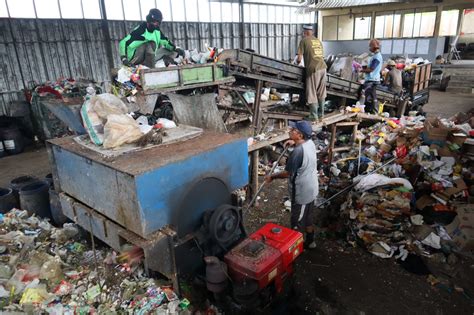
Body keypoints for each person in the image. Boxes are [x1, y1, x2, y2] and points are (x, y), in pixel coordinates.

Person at [265, 120, 318, 249]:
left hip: (302, 192)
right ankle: (311, 242)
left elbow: (287, 173)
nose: (290, 131)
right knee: (308, 218)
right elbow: (302, 146)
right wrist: (294, 142)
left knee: (297, 223)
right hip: (312, 187)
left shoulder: (297, 153)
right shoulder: (310, 143)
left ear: (300, 135)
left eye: (293, 130)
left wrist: (272, 176)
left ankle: (296, 250)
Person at [119, 9, 184, 68]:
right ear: (149, 20)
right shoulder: (140, 30)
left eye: (158, 22)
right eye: (154, 22)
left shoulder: (157, 31)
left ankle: (168, 63)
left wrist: (175, 48)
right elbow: (123, 42)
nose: (156, 24)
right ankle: (150, 69)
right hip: (135, 59)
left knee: (171, 51)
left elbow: (165, 42)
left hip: (150, 57)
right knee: (150, 44)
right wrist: (124, 58)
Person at [296, 25, 327, 122]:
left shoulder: (304, 41)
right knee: (321, 92)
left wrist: (297, 63)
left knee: (312, 92)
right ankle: (321, 115)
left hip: (313, 69)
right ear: (312, 32)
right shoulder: (318, 41)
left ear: (304, 32)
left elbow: (299, 59)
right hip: (323, 68)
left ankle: (314, 116)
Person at [359, 39, 383, 113]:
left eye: (370, 46)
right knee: (373, 95)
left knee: (363, 92)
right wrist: (362, 67)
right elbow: (370, 66)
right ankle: (375, 111)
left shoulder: (377, 57)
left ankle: (360, 109)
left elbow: (371, 69)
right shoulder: (375, 56)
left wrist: (361, 70)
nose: (369, 48)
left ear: (374, 47)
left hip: (372, 79)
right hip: (374, 79)